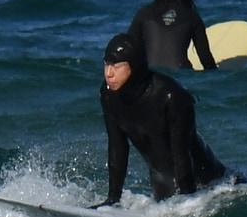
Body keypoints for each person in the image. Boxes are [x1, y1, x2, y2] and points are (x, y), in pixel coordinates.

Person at [97, 33, 229, 207]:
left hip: (208, 182)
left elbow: (181, 153)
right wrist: (113, 199)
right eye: (106, 64)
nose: (109, 73)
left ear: (135, 66)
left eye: (117, 66)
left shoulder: (171, 97)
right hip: (163, 184)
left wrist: (189, 202)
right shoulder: (109, 95)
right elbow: (117, 147)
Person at [126, 0, 216, 71]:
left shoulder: (144, 14)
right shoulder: (192, 16)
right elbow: (205, 58)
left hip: (150, 77)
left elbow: (127, 49)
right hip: (182, 78)